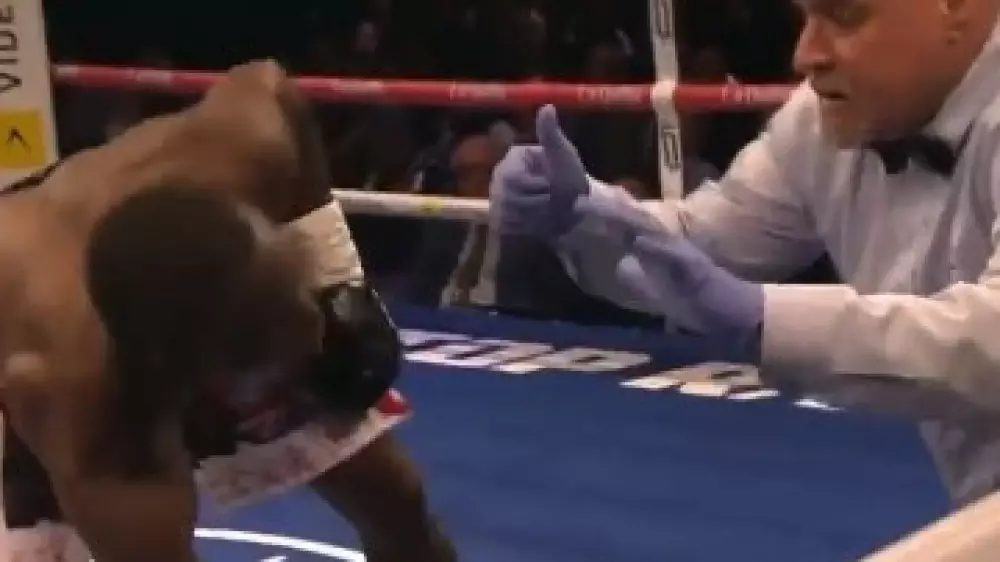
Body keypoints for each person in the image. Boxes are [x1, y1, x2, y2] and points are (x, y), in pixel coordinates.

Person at [490, 0, 1000, 510]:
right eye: (805, 17)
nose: (805, 55)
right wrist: (584, 215)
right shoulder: (819, 118)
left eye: (844, 17)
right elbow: (700, 250)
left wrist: (766, 318)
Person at [0, 60, 456, 561]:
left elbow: (269, 81)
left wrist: (335, 278)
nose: (316, 334)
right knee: (53, 540)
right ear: (202, 375)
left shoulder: (247, 144)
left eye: (302, 308)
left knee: (397, 502)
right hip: (42, 342)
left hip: (136, 304)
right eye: (292, 338)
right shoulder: (71, 386)